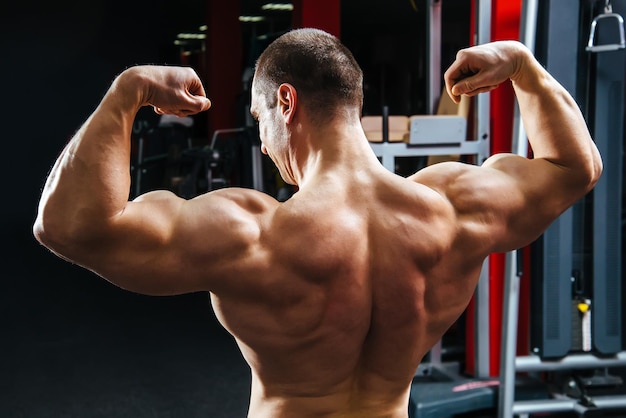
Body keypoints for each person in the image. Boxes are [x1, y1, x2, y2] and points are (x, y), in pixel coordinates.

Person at [33, 28, 602, 418]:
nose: (261, 138)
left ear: (287, 103)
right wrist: (524, 68)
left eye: (258, 119)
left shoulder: (252, 232)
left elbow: (69, 225)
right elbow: (574, 166)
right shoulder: (453, 210)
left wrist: (126, 91)